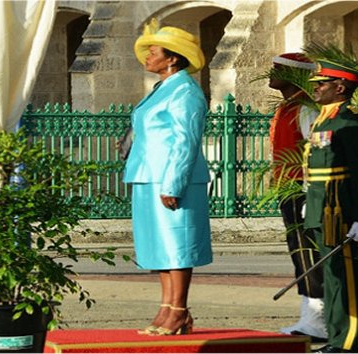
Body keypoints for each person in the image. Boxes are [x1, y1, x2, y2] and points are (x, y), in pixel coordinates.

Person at [123, 19, 212, 336]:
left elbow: (185, 140)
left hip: (173, 177)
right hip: (149, 176)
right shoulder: (163, 88)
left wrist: (173, 183)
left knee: (178, 244)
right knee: (158, 246)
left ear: (173, 57)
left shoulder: (186, 91)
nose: (147, 57)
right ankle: (167, 306)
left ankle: (179, 310)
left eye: (153, 51)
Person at [303, 60, 358, 353]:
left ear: (340, 87)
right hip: (321, 207)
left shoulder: (351, 122)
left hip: (342, 210)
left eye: (322, 83)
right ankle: (335, 338)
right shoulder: (324, 119)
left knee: (346, 277)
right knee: (332, 276)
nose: (316, 88)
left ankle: (348, 341)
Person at [267, 52, 327, 341]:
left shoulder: (305, 108)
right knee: (299, 253)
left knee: (308, 254)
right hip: (289, 188)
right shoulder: (288, 106)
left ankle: (317, 321)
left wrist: (310, 193)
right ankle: (310, 317)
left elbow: (316, 153)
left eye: (278, 69)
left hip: (302, 189)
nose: (270, 73)